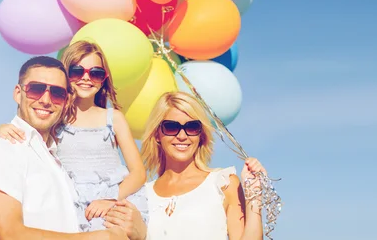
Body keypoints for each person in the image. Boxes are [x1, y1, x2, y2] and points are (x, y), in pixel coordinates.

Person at [0, 56, 140, 240]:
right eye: (36, 89)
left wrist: (136, 230)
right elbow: (10, 234)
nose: (46, 100)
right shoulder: (2, 148)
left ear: (66, 102)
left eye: (57, 93)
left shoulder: (57, 163)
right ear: (18, 93)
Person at [104, 91, 267, 240]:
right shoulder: (141, 195)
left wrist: (254, 198)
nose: (182, 135)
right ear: (157, 135)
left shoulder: (223, 184)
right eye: (171, 127)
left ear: (200, 135)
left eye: (192, 127)